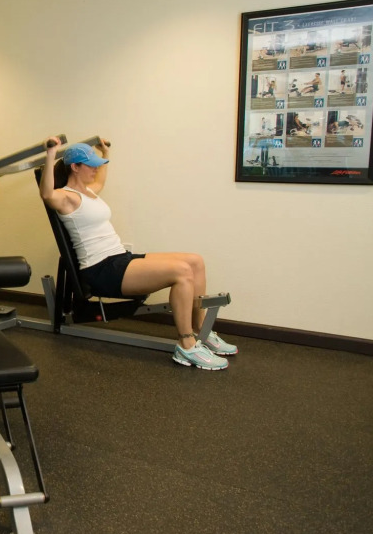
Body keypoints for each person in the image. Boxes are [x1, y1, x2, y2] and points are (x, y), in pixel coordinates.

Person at [40, 137, 237, 370]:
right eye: (91, 165)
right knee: (182, 272)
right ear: (75, 167)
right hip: (101, 269)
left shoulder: (90, 191)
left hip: (118, 257)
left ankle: (201, 329)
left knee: (195, 261)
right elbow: (47, 194)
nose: (95, 169)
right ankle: (186, 345)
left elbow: (101, 177)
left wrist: (104, 152)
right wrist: (50, 154)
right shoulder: (66, 197)